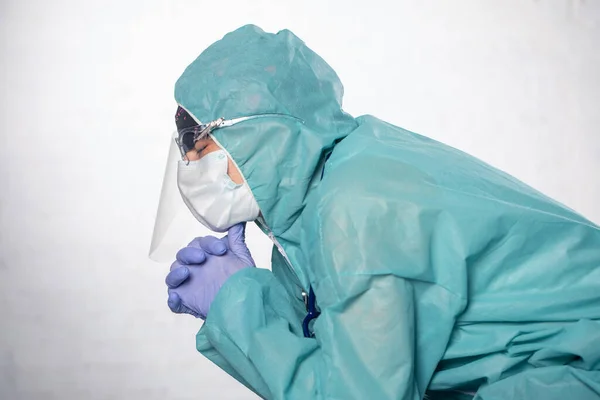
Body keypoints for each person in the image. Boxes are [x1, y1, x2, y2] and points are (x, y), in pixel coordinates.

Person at [153, 25, 600, 400]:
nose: (193, 168)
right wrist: (257, 298)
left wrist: (236, 305)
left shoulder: (357, 212)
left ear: (263, 132)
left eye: (203, 146)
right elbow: (345, 356)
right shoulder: (327, 197)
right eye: (186, 154)